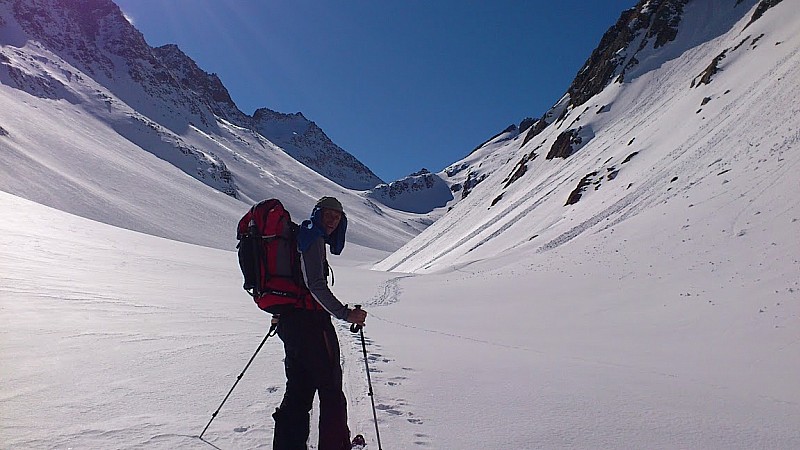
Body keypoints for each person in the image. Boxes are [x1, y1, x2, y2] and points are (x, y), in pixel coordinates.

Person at [272, 196, 368, 450]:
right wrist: (345, 313)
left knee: (298, 391)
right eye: (328, 215)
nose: (333, 221)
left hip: (292, 324)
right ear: (317, 213)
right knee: (331, 390)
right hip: (311, 324)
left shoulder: (302, 235)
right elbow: (315, 285)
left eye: (337, 217)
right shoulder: (312, 237)